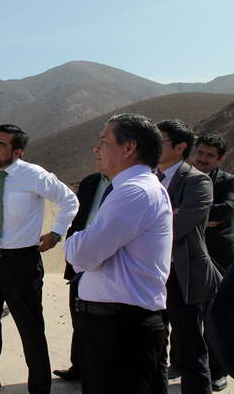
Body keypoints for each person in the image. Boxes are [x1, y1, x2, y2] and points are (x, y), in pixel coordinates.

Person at [0, 124, 78, 394]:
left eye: (1, 144)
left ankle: (39, 387)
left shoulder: (34, 175)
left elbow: (69, 201)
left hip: (21, 263)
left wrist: (56, 233)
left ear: (18, 152)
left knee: (30, 328)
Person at [65, 113, 172, 394]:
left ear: (128, 148)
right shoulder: (130, 189)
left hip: (121, 329)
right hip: (116, 324)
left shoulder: (135, 192)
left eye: (103, 141)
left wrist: (73, 242)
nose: (96, 149)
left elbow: (82, 255)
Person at [155, 120, 222, 394]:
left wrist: (153, 220)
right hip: (151, 274)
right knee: (154, 347)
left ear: (180, 147)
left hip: (183, 274)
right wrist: (168, 214)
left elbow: (176, 228)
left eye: (159, 140)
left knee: (190, 349)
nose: (152, 144)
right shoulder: (147, 177)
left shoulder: (197, 181)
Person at [53, 172, 110, 382]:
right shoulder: (90, 182)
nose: (99, 157)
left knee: (103, 322)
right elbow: (78, 218)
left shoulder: (128, 187)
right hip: (80, 260)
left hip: (106, 261)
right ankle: (78, 366)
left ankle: (100, 370)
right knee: (78, 315)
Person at [191, 133, 233, 391]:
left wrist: (186, 215)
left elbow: (224, 211)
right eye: (200, 153)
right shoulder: (183, 179)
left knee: (215, 316)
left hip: (218, 257)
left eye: (210, 156)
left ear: (220, 159)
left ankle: (217, 370)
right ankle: (186, 363)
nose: (203, 159)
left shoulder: (229, 182)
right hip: (186, 255)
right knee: (185, 315)